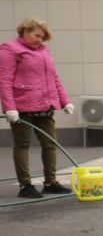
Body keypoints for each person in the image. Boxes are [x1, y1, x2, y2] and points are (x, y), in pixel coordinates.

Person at [0, 17, 74, 198]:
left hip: (45, 105)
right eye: (37, 35)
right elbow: (4, 80)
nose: (40, 40)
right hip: (22, 107)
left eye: (43, 37)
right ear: (24, 31)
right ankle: (25, 186)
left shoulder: (44, 51)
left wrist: (65, 101)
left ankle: (50, 182)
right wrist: (10, 107)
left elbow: (54, 78)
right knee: (22, 145)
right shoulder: (10, 50)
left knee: (49, 144)